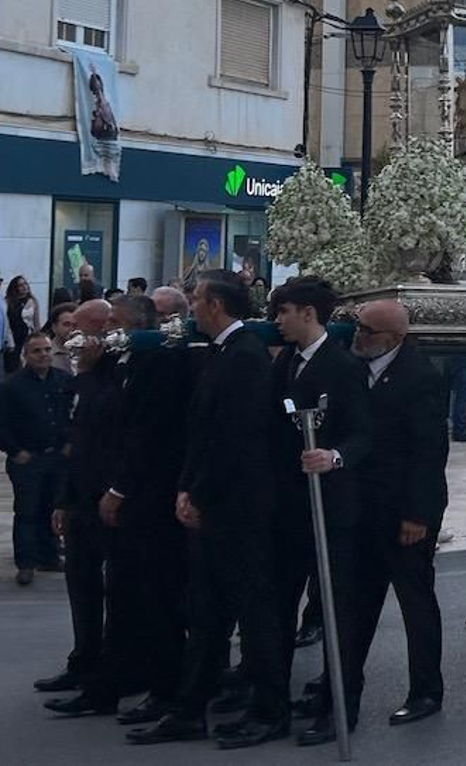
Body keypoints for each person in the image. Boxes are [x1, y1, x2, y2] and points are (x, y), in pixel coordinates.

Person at [127, 271, 285, 749]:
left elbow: (234, 439)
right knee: (207, 609)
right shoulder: (222, 353)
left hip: (237, 507)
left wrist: (199, 493)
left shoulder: (244, 358)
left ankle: (270, 709)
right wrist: (187, 488)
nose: (190, 308)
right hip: (213, 502)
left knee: (253, 613)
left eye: (195, 299)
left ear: (214, 304)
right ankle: (189, 707)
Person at [267, 276, 371, 748]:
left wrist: (335, 456)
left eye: (284, 312)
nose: (278, 321)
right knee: (280, 602)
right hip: (289, 505)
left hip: (331, 505)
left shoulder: (344, 367)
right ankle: (273, 699)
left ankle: (340, 704)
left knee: (336, 609)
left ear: (308, 313)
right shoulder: (287, 360)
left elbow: (363, 433)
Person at [343, 299, 450, 733]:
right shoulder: (355, 368)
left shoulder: (420, 376)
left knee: (415, 599)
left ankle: (426, 689)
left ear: (394, 338)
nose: (358, 337)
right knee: (357, 601)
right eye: (359, 328)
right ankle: (345, 684)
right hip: (365, 505)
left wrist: (417, 514)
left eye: (368, 331)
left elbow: (428, 452)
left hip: (406, 510)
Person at [101, 286, 196, 729]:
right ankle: (133, 673)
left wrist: (119, 489)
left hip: (153, 497)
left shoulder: (158, 361)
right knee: (134, 592)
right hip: (139, 495)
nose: (107, 334)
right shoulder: (126, 363)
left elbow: (147, 436)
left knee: (160, 593)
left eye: (114, 326)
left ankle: (167, 686)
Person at [43, 299, 129, 717]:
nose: (70, 340)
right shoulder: (79, 377)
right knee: (80, 585)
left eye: (78, 330)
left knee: (112, 590)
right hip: (78, 498)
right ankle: (83, 659)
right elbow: (72, 444)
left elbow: (115, 440)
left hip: (107, 498)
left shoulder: (114, 375)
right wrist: (62, 499)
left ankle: (106, 677)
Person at [0, 332, 70, 584]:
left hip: (57, 457)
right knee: (27, 511)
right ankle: (25, 562)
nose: (43, 355)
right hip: (27, 459)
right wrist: (15, 451)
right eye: (37, 351)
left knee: (52, 507)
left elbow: (73, 414)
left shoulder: (64, 381)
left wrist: (69, 444)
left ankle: (49, 556)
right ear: (26, 356)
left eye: (47, 350)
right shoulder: (10, 386)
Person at [3, 275, 39, 375]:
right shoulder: (8, 302)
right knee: (13, 366)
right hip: (13, 337)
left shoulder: (32, 301)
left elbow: (36, 322)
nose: (24, 287)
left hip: (27, 336)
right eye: (20, 285)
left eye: (25, 284)